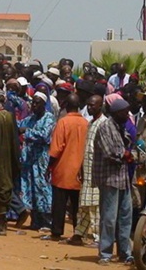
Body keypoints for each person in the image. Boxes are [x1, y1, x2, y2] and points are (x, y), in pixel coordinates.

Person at [93, 98, 134, 266]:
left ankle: (126, 252)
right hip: (109, 178)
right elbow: (110, 152)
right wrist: (125, 154)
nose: (127, 115)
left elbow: (128, 146)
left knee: (126, 216)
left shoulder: (120, 127)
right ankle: (105, 253)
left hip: (123, 178)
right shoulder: (105, 127)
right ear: (117, 113)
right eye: (125, 112)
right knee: (109, 218)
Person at [44, 94, 88, 241]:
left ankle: (56, 232)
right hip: (80, 172)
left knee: (59, 204)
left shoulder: (63, 123)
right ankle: (78, 233)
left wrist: (48, 167)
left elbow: (56, 148)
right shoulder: (86, 123)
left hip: (63, 169)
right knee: (77, 206)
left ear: (67, 106)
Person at [68, 94, 106, 247]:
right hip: (87, 170)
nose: (89, 108)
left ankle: (98, 237)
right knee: (84, 205)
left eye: (93, 105)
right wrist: (81, 168)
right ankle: (79, 234)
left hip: (97, 173)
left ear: (100, 106)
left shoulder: (103, 124)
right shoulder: (91, 123)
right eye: (88, 105)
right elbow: (87, 149)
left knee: (94, 206)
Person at [18, 93, 56, 231]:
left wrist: (26, 132)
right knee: (31, 189)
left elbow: (45, 136)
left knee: (43, 189)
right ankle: (35, 220)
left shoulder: (49, 118)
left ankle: (47, 221)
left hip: (42, 160)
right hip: (29, 160)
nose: (34, 105)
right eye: (33, 102)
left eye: (37, 103)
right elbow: (18, 126)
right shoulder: (30, 119)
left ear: (43, 104)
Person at [0, 87, 20, 236]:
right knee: (5, 186)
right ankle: (2, 222)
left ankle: (1, 224)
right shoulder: (9, 116)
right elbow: (15, 139)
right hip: (8, 156)